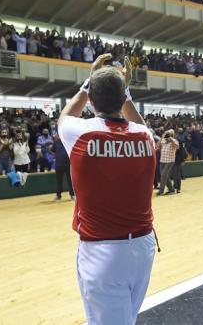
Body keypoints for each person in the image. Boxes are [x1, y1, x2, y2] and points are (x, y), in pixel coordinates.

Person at [58, 53, 158, 325]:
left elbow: (65, 116)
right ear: (123, 98)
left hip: (102, 251)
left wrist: (87, 83)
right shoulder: (144, 136)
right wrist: (123, 90)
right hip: (143, 247)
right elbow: (140, 123)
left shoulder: (80, 133)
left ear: (91, 100)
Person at [156, 129, 179, 196]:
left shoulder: (174, 141)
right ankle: (171, 189)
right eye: (166, 133)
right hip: (162, 160)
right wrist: (161, 138)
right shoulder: (163, 140)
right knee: (164, 176)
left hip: (170, 161)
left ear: (172, 135)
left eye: (168, 134)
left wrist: (171, 139)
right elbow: (157, 146)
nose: (167, 135)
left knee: (163, 175)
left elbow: (177, 147)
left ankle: (161, 191)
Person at [53, 131, 74, 201]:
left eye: (58, 134)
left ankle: (72, 195)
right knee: (59, 181)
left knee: (70, 180)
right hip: (58, 165)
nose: (57, 136)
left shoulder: (67, 142)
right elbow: (52, 150)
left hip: (68, 164)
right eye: (57, 134)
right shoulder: (55, 143)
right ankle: (58, 196)